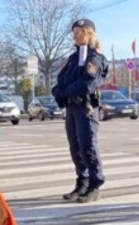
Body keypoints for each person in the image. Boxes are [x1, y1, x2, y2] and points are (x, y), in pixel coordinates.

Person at [52, 19, 109, 203]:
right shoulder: (73, 58)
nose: (75, 36)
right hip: (72, 107)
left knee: (88, 146)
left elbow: (87, 83)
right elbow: (61, 79)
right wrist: (59, 92)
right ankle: (82, 182)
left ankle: (95, 183)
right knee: (75, 146)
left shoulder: (94, 58)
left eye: (80, 32)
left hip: (86, 107)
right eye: (74, 32)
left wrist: (66, 90)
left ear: (90, 34)